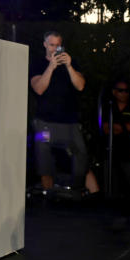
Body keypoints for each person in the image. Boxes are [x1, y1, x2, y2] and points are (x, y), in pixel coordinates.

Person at [30, 31, 99, 195]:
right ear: (45, 44)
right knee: (44, 162)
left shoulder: (72, 63)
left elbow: (80, 85)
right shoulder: (38, 64)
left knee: (81, 157)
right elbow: (39, 89)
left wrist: (68, 66)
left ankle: (90, 196)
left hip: (70, 122)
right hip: (44, 123)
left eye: (58, 45)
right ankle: (48, 199)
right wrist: (51, 67)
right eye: (51, 44)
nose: (54, 48)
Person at [102, 79, 130, 199]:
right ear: (114, 92)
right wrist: (124, 126)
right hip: (109, 153)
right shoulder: (108, 107)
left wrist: (116, 126)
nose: (124, 93)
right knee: (110, 185)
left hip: (127, 152)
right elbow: (105, 128)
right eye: (121, 90)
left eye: (126, 91)